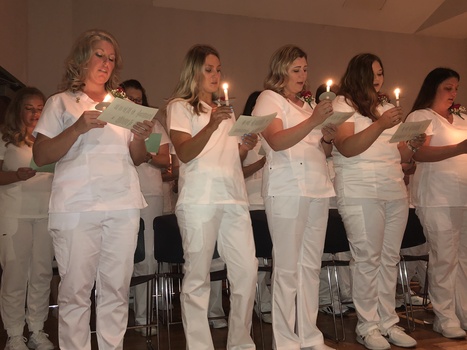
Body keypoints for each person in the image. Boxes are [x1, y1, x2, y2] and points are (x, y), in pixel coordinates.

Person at [32, 29, 154, 350]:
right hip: (77, 207)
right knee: (75, 292)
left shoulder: (122, 104)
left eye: (112, 58)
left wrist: (140, 135)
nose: (106, 63)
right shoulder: (60, 103)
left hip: (122, 205)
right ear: (82, 58)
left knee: (115, 289)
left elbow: (138, 157)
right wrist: (78, 127)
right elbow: (41, 155)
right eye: (100, 55)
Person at [166, 44, 258, 350]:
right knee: (197, 278)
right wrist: (212, 123)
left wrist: (245, 144)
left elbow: (232, 157)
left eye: (219, 69)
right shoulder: (180, 106)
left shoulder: (225, 113)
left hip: (233, 197)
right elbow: (185, 151)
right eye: (209, 69)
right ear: (193, 72)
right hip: (199, 200)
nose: (216, 75)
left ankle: (240, 343)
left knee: (246, 272)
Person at [331, 53, 423, 350]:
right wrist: (381, 124)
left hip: (393, 189)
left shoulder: (385, 106)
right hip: (360, 189)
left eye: (381, 72)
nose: (378, 78)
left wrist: (411, 144)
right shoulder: (342, 104)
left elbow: (402, 155)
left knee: (388, 258)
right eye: (372, 73)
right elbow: (346, 147)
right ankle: (367, 326)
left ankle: (388, 322)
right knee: (367, 259)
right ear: (357, 75)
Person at [252, 44, 337, 350]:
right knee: (287, 268)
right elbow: (276, 141)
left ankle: (309, 337)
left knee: (311, 267)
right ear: (281, 70)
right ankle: (285, 341)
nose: (303, 75)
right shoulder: (268, 98)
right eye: (296, 69)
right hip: (287, 189)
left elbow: (320, 149)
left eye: (305, 69)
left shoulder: (305, 105)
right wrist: (315, 121)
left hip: (317, 187)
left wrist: (327, 136)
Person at [405, 67, 467, 339]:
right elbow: (418, 152)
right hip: (437, 197)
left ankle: (462, 312)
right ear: (433, 88)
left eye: (456, 88)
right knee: (444, 257)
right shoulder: (421, 116)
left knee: (464, 258)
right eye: (447, 88)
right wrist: (458, 148)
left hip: (463, 196)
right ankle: (445, 316)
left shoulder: (463, 116)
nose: (453, 93)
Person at [0, 87, 55, 350]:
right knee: (15, 274)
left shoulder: (49, 140)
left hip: (45, 214)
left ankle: (37, 329)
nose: (35, 113)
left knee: (42, 273)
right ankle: (13, 334)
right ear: (18, 110)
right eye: (29, 108)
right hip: (15, 214)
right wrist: (16, 176)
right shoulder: (4, 138)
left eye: (40, 108)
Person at [120, 79, 170, 335]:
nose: (134, 103)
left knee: (147, 256)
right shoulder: (114, 123)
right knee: (121, 256)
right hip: (119, 195)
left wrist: (148, 155)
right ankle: (119, 312)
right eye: (129, 98)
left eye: (138, 99)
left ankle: (142, 317)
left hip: (150, 194)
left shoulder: (155, 125)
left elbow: (166, 159)